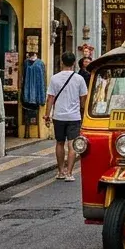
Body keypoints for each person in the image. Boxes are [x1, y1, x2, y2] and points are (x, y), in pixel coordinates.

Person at [44, 52, 88, 181]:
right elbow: (83, 99)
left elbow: (50, 98)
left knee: (59, 143)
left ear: (62, 62)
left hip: (59, 116)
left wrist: (47, 114)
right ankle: (69, 173)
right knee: (72, 144)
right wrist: (83, 112)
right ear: (74, 63)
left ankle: (60, 172)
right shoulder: (79, 79)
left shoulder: (54, 78)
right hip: (74, 116)